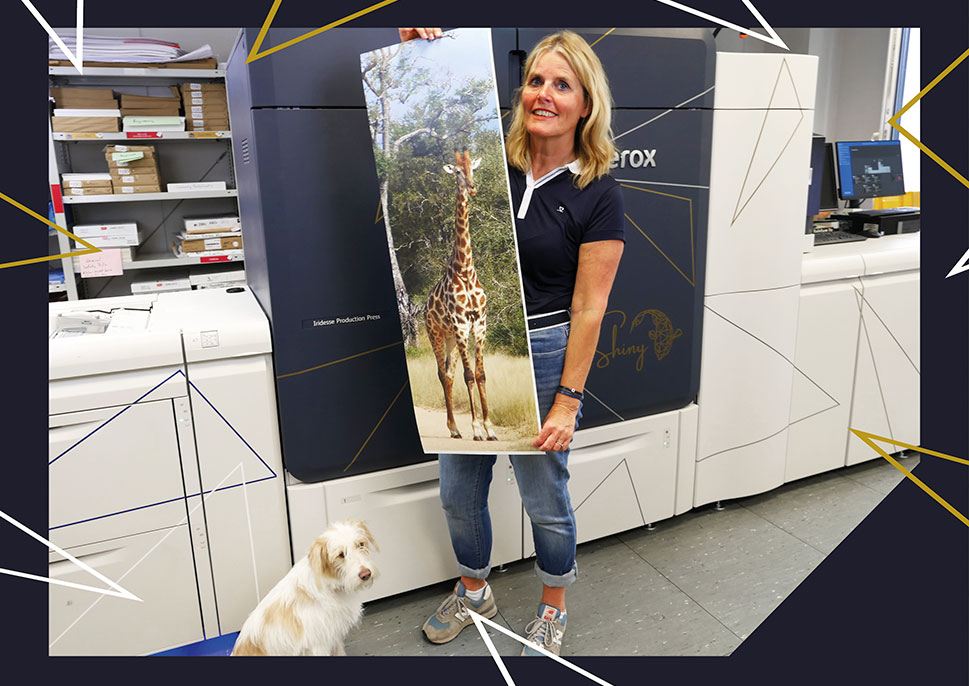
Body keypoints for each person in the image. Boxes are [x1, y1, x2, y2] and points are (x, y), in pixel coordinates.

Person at [398, 28, 625, 656]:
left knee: (543, 495)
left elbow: (590, 306)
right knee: (457, 490)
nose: (543, 94)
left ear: (586, 103)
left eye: (561, 84)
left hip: (550, 350)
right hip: (476, 333)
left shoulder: (598, 191)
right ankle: (475, 590)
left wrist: (568, 400)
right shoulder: (499, 165)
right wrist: (422, 51)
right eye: (534, 81)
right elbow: (437, 125)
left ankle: (552, 604)